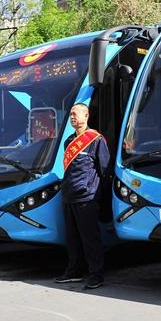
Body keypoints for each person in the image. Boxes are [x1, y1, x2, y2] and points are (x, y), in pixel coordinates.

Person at [55, 103, 111, 290]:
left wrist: (101, 196)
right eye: (70, 114)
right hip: (68, 196)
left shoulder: (96, 140)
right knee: (72, 239)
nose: (72, 117)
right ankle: (74, 272)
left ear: (86, 116)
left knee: (90, 239)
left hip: (87, 197)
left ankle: (96, 275)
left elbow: (104, 170)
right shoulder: (68, 141)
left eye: (75, 114)